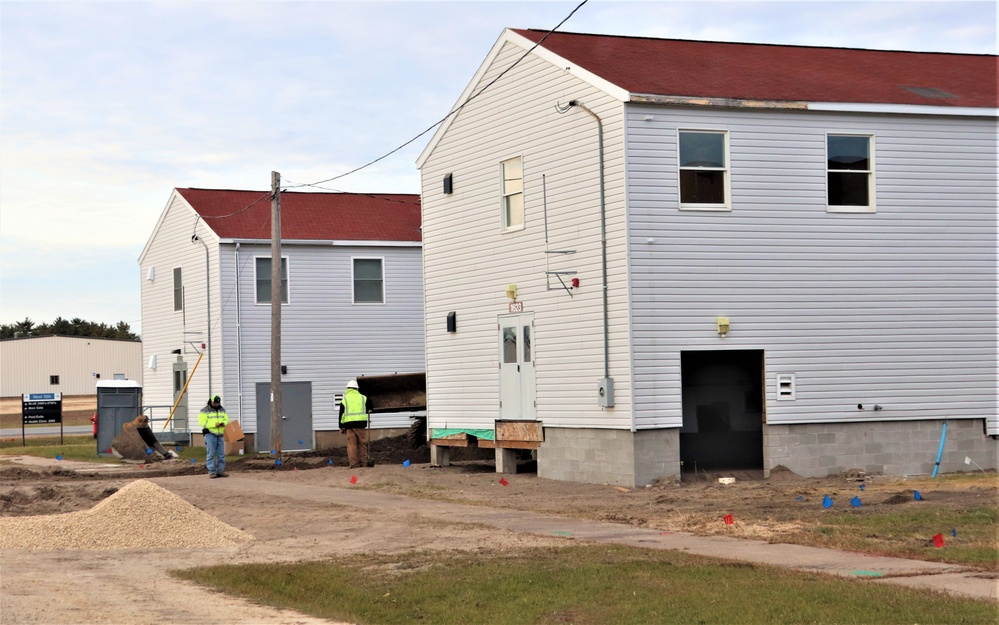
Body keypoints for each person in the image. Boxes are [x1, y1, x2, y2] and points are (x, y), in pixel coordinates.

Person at [339, 379, 373, 469]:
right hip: (361, 424)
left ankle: (354, 465)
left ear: (348, 389)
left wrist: (341, 426)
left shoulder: (345, 399)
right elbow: (370, 408)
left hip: (349, 426)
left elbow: (341, 414)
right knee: (362, 444)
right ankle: (364, 464)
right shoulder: (363, 397)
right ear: (357, 389)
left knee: (352, 445)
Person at [199, 395, 229, 478]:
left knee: (221, 454)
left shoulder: (222, 409)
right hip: (210, 434)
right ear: (211, 402)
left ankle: (220, 471)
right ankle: (211, 471)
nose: (217, 405)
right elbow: (202, 423)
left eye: (218, 403)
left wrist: (224, 423)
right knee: (211, 453)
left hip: (220, 434)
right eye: (215, 403)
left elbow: (226, 419)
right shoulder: (204, 411)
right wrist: (213, 425)